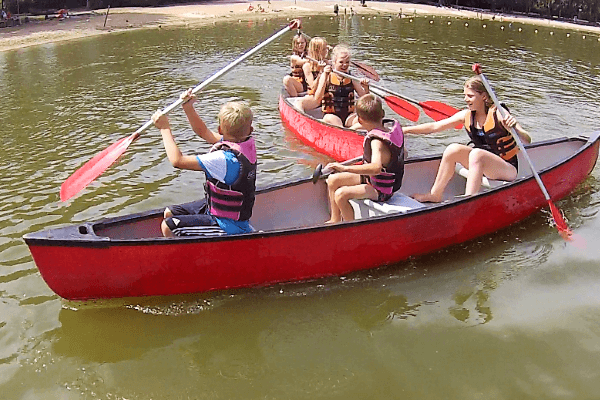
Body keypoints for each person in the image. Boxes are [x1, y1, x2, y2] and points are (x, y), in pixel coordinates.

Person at [405, 76, 531, 202]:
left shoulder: (499, 113)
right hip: (480, 162)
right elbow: (434, 127)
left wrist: (515, 127)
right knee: (452, 149)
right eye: (465, 95)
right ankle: (435, 195)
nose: (466, 99)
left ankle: (469, 200)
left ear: (484, 97)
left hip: (507, 168)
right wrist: (405, 130)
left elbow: (527, 140)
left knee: (477, 154)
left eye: (470, 96)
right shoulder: (467, 115)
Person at [152, 90, 257, 237]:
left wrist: (164, 128)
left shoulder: (223, 159)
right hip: (220, 211)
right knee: (169, 212)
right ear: (250, 130)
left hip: (227, 225)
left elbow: (177, 161)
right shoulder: (246, 144)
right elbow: (204, 132)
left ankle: (188, 256)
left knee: (168, 226)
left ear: (220, 129)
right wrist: (188, 108)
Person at [325, 94, 405, 223]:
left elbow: (376, 168)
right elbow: (403, 153)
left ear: (360, 120)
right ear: (383, 114)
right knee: (333, 180)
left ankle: (351, 228)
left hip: (381, 190)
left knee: (340, 195)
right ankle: (334, 219)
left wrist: (344, 168)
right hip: (372, 180)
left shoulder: (376, 142)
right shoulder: (389, 130)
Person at [305, 44, 370, 128]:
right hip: (331, 116)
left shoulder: (351, 78)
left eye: (347, 62)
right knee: (332, 119)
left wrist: (366, 88)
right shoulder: (327, 76)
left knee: (366, 121)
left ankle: (351, 130)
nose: (344, 65)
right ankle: (348, 131)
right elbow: (317, 98)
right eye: (341, 62)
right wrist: (324, 75)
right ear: (334, 62)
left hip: (349, 117)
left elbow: (366, 100)